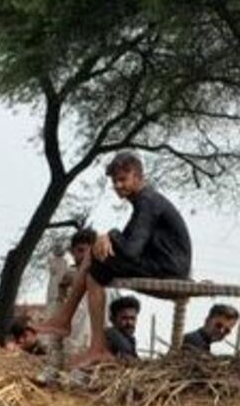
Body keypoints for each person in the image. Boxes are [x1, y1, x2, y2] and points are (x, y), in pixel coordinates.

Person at [38, 153, 191, 364]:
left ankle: (69, 323)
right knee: (95, 268)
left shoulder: (147, 201)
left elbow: (130, 250)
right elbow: (128, 242)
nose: (118, 185)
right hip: (162, 262)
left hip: (170, 267)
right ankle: (88, 339)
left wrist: (109, 235)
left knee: (95, 258)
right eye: (114, 181)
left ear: (138, 177)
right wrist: (108, 239)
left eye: (123, 180)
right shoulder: (142, 202)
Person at [45, 226, 96, 357]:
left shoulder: (102, 282)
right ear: (72, 252)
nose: (85, 256)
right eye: (80, 250)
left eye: (89, 252)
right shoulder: (63, 277)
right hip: (68, 345)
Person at [106, 295, 141, 359]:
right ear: (112, 319)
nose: (129, 322)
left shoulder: (130, 340)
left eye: (132, 318)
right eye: (124, 318)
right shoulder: (112, 335)